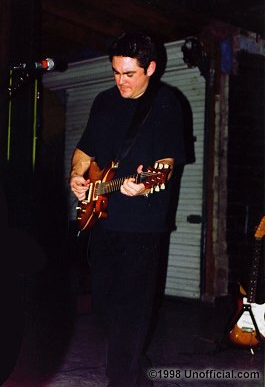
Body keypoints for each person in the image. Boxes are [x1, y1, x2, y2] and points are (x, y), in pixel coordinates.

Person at [70, 32, 188, 387]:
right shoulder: (104, 102)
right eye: (116, 73)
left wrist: (147, 181)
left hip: (144, 223)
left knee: (132, 308)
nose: (121, 81)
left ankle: (122, 379)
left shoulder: (168, 103)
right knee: (104, 306)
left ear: (150, 68)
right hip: (103, 217)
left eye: (129, 74)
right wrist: (76, 176)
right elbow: (84, 151)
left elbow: (167, 162)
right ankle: (135, 369)